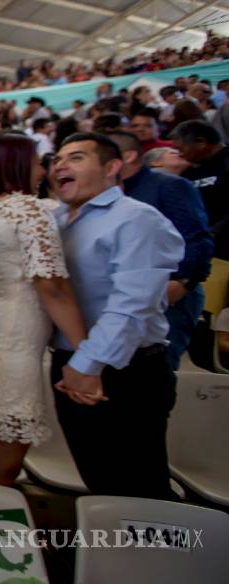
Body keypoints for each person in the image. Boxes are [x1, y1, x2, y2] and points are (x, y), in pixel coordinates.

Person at [0, 135, 88, 485]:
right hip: (10, 343)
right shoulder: (29, 209)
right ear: (20, 166)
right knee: (0, 469)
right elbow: (52, 286)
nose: (44, 169)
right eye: (40, 161)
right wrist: (86, 352)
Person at [48, 132, 183, 499]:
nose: (60, 165)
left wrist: (87, 365)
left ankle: (163, 556)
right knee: (101, 482)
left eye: (76, 157)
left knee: (141, 487)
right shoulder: (54, 219)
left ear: (112, 167)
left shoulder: (136, 219)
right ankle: (117, 557)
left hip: (126, 371)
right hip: (69, 364)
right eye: (57, 159)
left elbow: (132, 304)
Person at [108, 130, 213, 370]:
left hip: (170, 294)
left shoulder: (169, 185)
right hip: (127, 298)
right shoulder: (108, 193)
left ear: (128, 157)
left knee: (157, 371)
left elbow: (196, 239)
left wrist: (182, 283)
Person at [172, 120, 229, 258]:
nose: (180, 154)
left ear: (201, 142)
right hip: (204, 245)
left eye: (181, 149)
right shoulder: (190, 168)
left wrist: (215, 231)